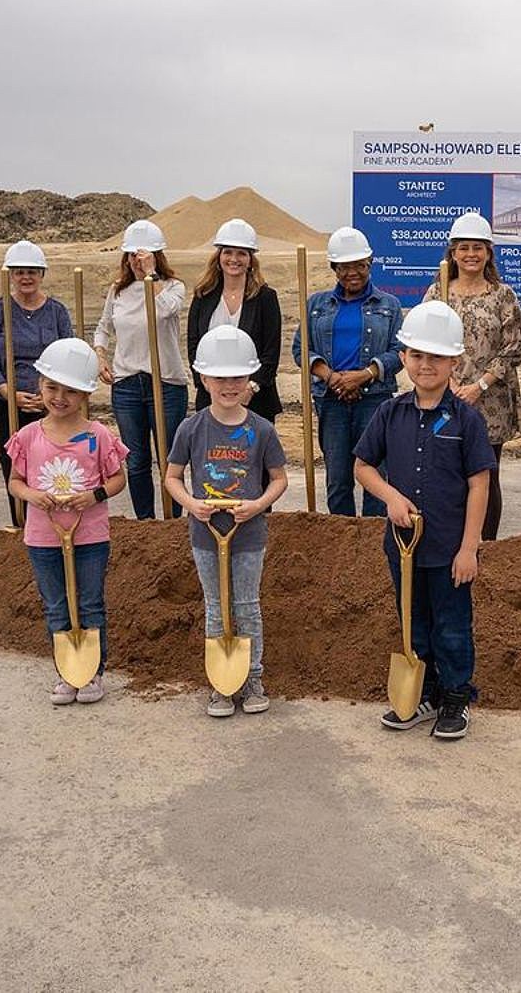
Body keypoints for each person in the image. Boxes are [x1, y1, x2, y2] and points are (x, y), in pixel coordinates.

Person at [355, 301, 496, 740]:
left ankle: (455, 697)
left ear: (454, 361)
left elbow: (479, 484)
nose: (425, 364)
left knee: (451, 626)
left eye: (436, 356)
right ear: (403, 359)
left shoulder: (467, 420)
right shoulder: (389, 413)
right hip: (403, 550)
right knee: (413, 623)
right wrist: (390, 497)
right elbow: (362, 466)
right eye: (416, 355)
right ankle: (423, 693)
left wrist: (469, 548)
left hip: (449, 551)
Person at [165, 326, 289, 719]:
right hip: (205, 535)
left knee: (248, 605)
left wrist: (257, 506)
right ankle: (221, 684)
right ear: (204, 379)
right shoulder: (192, 428)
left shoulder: (262, 430)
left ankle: (252, 678)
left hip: (249, 533)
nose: (229, 385)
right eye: (220, 377)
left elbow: (280, 478)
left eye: (237, 377)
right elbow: (171, 477)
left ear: (250, 379)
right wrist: (192, 504)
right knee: (216, 607)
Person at [6, 338, 129, 706]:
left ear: (85, 395)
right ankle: (67, 672)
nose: (60, 397)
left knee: (90, 603)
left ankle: (93, 672)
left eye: (71, 391)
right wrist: (32, 496)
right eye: (52, 388)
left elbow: (118, 478)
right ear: (40, 385)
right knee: (56, 604)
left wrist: (95, 496)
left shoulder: (99, 435)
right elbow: (15, 481)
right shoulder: (28, 437)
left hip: (90, 535)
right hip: (42, 538)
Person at [423, 211, 521, 540]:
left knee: (485, 474)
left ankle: (486, 545)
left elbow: (515, 347)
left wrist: (479, 385)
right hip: (444, 397)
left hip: (490, 402)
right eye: (464, 247)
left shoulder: (502, 295)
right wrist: (448, 384)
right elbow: (424, 341)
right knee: (446, 471)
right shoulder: (438, 293)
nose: (471, 254)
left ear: (489, 253)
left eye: (478, 247)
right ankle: (451, 540)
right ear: (452, 253)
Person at [292, 226, 403, 517]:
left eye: (359, 265)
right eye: (344, 266)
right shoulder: (316, 305)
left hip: (375, 400)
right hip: (331, 399)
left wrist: (364, 374)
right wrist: (331, 377)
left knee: (375, 476)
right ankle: (340, 545)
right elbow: (300, 349)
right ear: (334, 268)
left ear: (370, 264)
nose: (352, 272)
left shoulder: (388, 305)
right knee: (338, 478)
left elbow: (398, 352)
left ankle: (373, 545)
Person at [93, 219, 189, 520]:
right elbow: (103, 327)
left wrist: (151, 276)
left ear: (157, 256)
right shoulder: (117, 291)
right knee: (136, 460)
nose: (137, 260)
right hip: (127, 385)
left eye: (144, 254)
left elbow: (165, 310)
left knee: (169, 460)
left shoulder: (173, 288)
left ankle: (173, 522)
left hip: (166, 382)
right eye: (132, 255)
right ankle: (146, 522)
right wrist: (100, 354)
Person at [0, 240, 75, 527]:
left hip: (52, 405)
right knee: (16, 466)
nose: (26, 277)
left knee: (54, 464)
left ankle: (57, 524)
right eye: (19, 272)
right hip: (8, 404)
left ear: (42, 274)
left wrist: (48, 395)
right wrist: (7, 392)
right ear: (10, 275)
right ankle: (22, 525)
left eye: (32, 271)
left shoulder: (57, 312)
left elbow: (67, 353)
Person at [186, 218, 283, 422]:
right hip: (211, 399)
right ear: (219, 256)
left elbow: (271, 352)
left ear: (250, 260)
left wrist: (251, 387)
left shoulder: (266, 298)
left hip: (255, 401)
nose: (234, 259)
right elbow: (194, 345)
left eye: (241, 253)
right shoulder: (203, 296)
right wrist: (206, 384)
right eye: (228, 252)